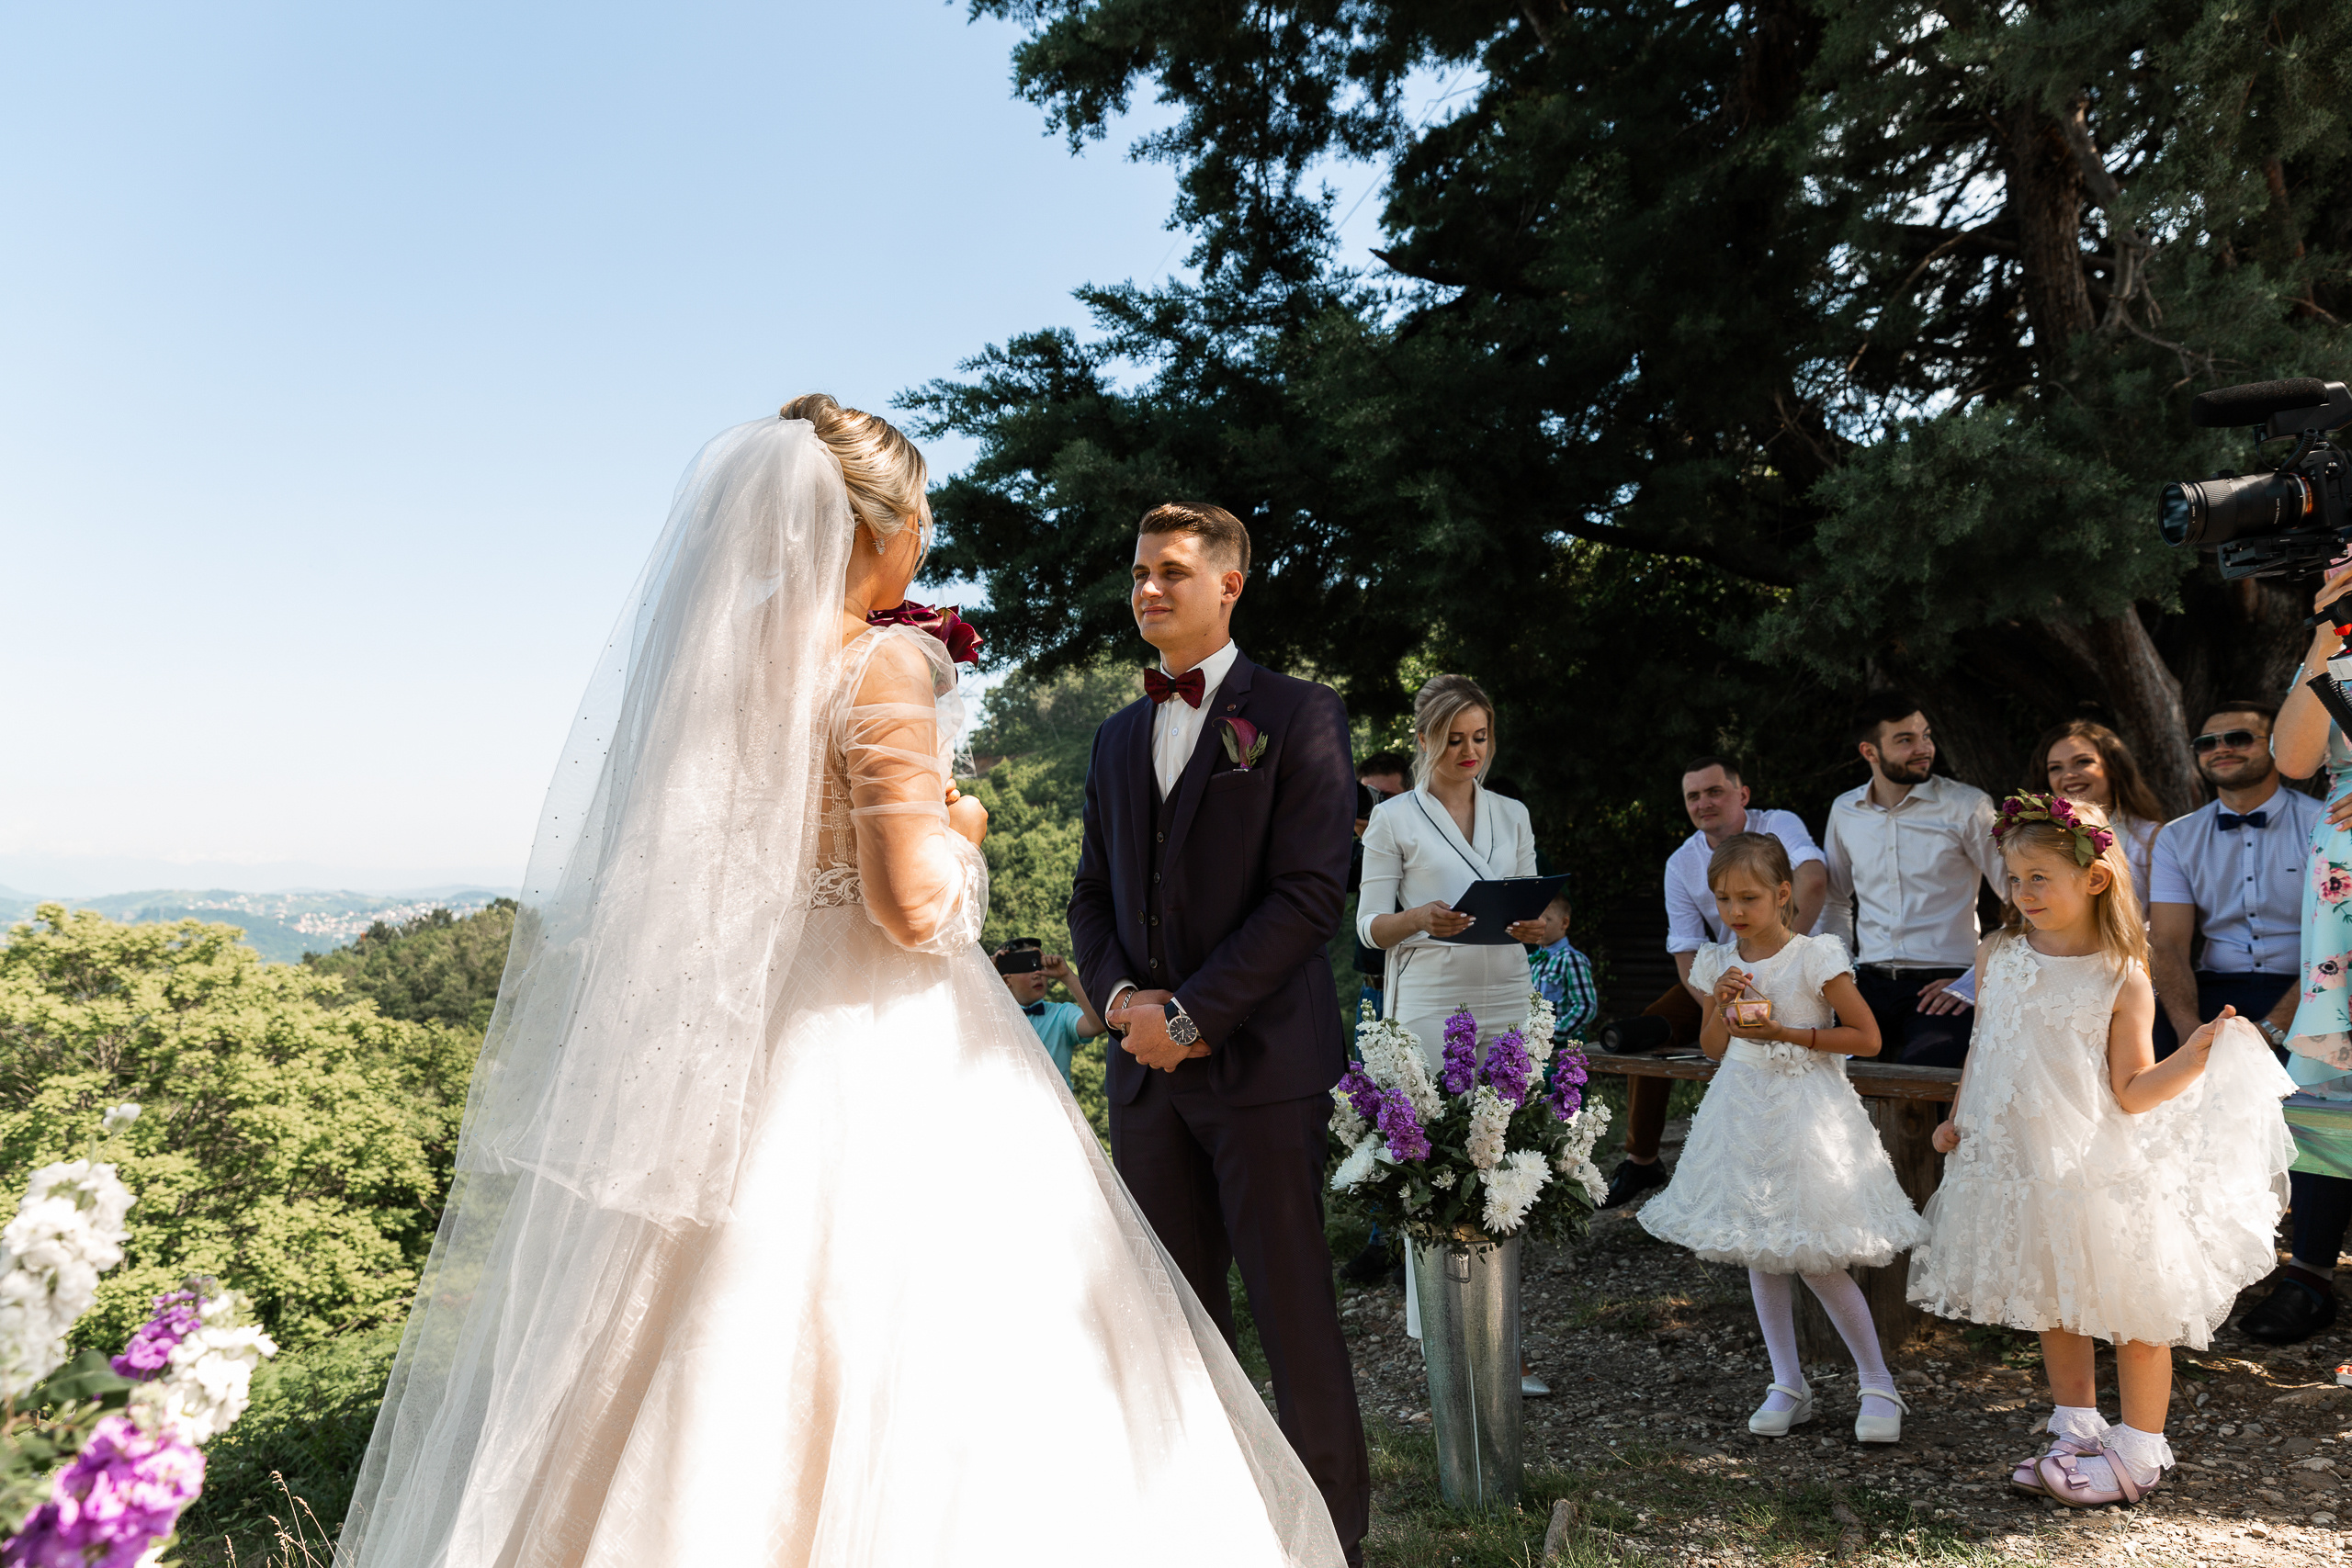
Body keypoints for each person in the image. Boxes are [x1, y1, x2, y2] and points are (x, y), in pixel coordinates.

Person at [339, 406, 1345, 1568]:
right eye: (917, 518)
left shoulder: (717, 669)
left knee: (713, 1342)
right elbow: (914, 907)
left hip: (751, 1038)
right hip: (882, 1041)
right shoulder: (879, 661)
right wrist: (961, 829)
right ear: (873, 526)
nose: (922, 540)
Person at [1069, 502, 1369, 1564]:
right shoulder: (1114, 735)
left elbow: (1305, 895)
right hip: (1145, 1084)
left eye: (1173, 572)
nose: (1148, 588)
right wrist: (1121, 1008)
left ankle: (1329, 1544)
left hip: (1262, 1073)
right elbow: (1092, 897)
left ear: (1230, 584)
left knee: (1295, 1324)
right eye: (1140, 571)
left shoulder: (1297, 715)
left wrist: (1192, 1014)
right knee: (1175, 1333)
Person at [1907, 795, 2294, 1509]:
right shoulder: (1997, 955)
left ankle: (2141, 1449)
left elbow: (2134, 1089)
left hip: (2094, 1165)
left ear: (2093, 879)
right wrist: (1958, 1116)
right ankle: (2077, 1427)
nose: (2023, 893)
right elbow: (1983, 1048)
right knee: (2054, 1298)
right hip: (2021, 1163)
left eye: (2039, 877)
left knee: (2133, 1308)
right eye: (2014, 879)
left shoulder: (2123, 975)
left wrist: (2199, 1052)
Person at [1638, 834, 1923, 1444]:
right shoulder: (1718, 962)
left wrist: (1787, 1032)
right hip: (1742, 1110)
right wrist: (1719, 1004)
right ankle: (1787, 1382)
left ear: (1782, 893)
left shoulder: (1814, 955)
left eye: (1748, 896)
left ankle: (1877, 1383)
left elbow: (1867, 1037)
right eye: (1722, 899)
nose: (1734, 910)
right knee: (1758, 1248)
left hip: (1805, 1111)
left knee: (1814, 1255)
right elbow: (1716, 1049)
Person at [1355, 673, 1548, 1363]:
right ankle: (1439, 1331)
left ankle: (1499, 1336)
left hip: (1506, 986)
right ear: (1424, 741)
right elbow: (1370, 926)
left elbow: (1534, 900)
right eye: (1454, 740)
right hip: (1431, 996)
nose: (1469, 752)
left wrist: (1544, 923)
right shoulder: (1394, 818)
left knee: (1503, 1148)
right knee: (1431, 1151)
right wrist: (1420, 918)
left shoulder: (1511, 812)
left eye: (1480, 737)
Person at [1602, 755, 1829, 1209]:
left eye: (1715, 791)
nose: (1704, 803)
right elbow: (1686, 949)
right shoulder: (1681, 862)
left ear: (1742, 795)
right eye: (1693, 796)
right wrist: (1716, 1004)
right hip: (1730, 973)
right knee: (1650, 1028)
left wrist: (1781, 960)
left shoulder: (1777, 825)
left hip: (1799, 964)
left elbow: (1814, 879)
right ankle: (1643, 1159)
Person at [2251, 558, 2352, 1346]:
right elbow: (2292, 757)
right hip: (2345, 881)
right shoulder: (2338, 640)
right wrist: (2327, 628)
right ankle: (2311, 1271)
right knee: (2334, 1070)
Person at [1822, 694, 2006, 1067]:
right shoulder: (1845, 810)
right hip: (1866, 982)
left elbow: (2021, 898)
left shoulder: (1968, 806)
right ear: (1869, 752)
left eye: (1926, 735)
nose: (1924, 748)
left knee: (1926, 1068)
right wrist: (1839, 972)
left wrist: (1973, 981)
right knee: (1812, 1064)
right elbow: (1835, 899)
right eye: (1905, 740)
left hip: (1946, 982)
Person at [2144, 702, 2317, 1064]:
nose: (2221, 749)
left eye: (2239, 738)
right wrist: (2188, 1029)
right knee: (2147, 1053)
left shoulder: (2323, 824)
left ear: (2277, 748)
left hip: (2313, 988)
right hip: (2215, 991)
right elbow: (2168, 943)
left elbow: (2341, 941)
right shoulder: (2177, 838)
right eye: (2207, 743)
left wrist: (2274, 1027)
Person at [1349, 752, 1411, 1021]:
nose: (1376, 806)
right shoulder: (1358, 847)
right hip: (1372, 993)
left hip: (1415, 992)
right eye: (1367, 795)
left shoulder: (1424, 848)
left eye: (1385, 797)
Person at [993, 939, 1105, 1089]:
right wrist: (984, 977)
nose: (1037, 974)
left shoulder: (1061, 1014)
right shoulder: (992, 1017)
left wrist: (1067, 976)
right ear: (1007, 979)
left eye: (1038, 965)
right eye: (1026, 966)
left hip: (1058, 1108)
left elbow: (1097, 1024)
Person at [1525, 888, 1599, 1046]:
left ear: (1564, 923)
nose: (1537, 925)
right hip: (1534, 1044)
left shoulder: (1571, 959)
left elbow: (1585, 1006)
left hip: (1563, 1045)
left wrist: (1554, 1034)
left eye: (1546, 920)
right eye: (1534, 920)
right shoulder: (1531, 960)